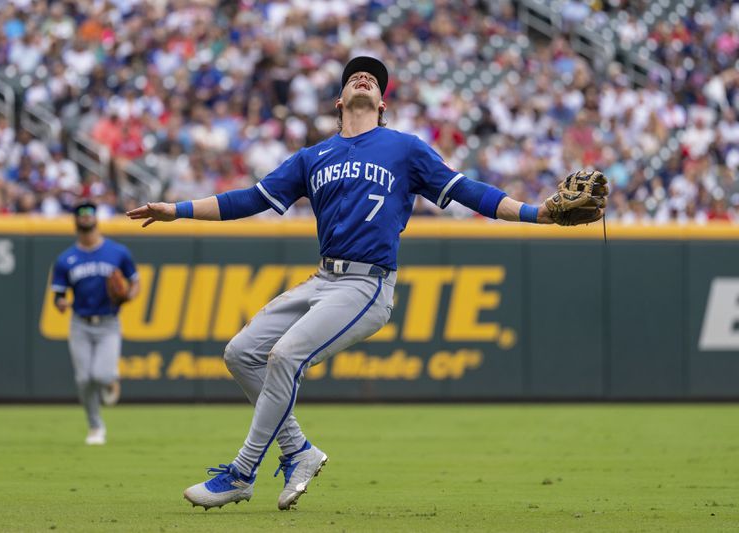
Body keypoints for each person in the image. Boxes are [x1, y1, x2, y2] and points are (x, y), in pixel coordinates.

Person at [126, 56, 604, 510]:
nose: (363, 78)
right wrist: (178, 209)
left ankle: (241, 473)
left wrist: (536, 213)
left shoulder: (405, 148)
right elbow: (249, 199)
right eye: (355, 75)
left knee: (284, 356)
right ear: (338, 101)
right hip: (322, 279)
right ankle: (299, 451)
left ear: (382, 104)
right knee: (241, 353)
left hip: (366, 285)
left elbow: (468, 192)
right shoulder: (313, 156)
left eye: (373, 79)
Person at [52, 201, 140, 445]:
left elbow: (135, 282)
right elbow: (58, 295)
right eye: (81, 213)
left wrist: (128, 296)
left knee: (100, 375)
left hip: (109, 322)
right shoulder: (65, 259)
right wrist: (60, 304)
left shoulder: (117, 252)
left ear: (96, 219)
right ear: (76, 221)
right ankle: (95, 426)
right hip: (80, 322)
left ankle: (110, 379)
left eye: (90, 212)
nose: (86, 216)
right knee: (83, 379)